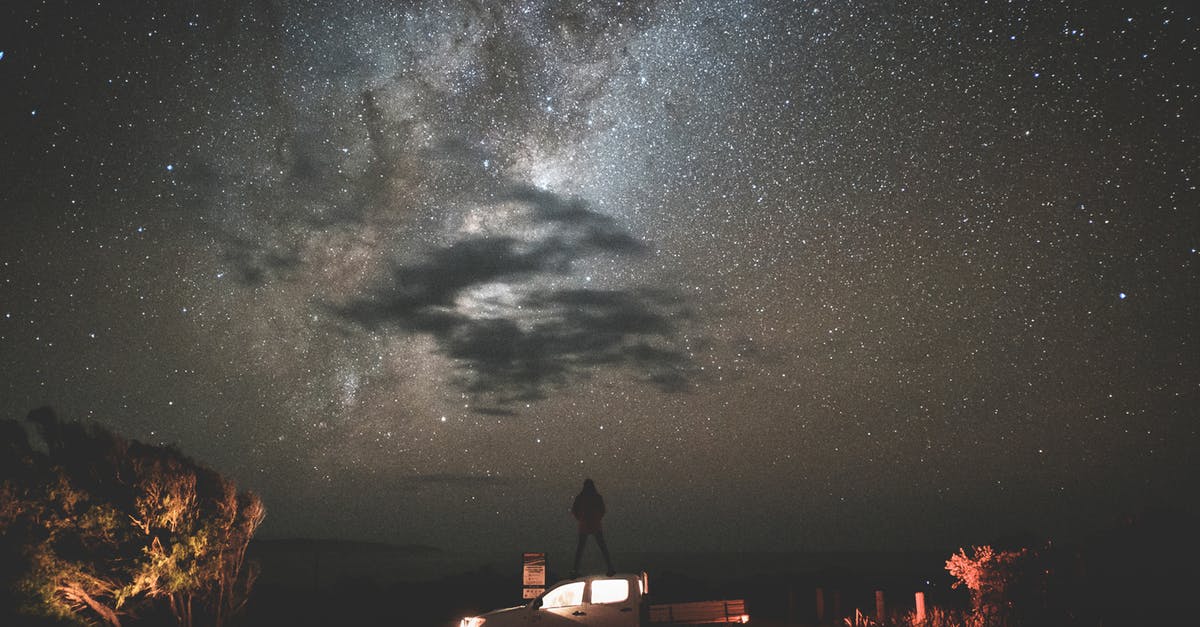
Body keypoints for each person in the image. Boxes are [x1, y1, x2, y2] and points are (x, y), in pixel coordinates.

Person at [571, 478, 615, 577]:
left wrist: (581, 519)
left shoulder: (580, 497)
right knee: (603, 547)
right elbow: (603, 510)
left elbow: (574, 510)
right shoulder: (597, 497)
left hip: (584, 525)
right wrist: (597, 518)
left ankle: (574, 570)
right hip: (595, 524)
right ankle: (610, 568)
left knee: (580, 549)